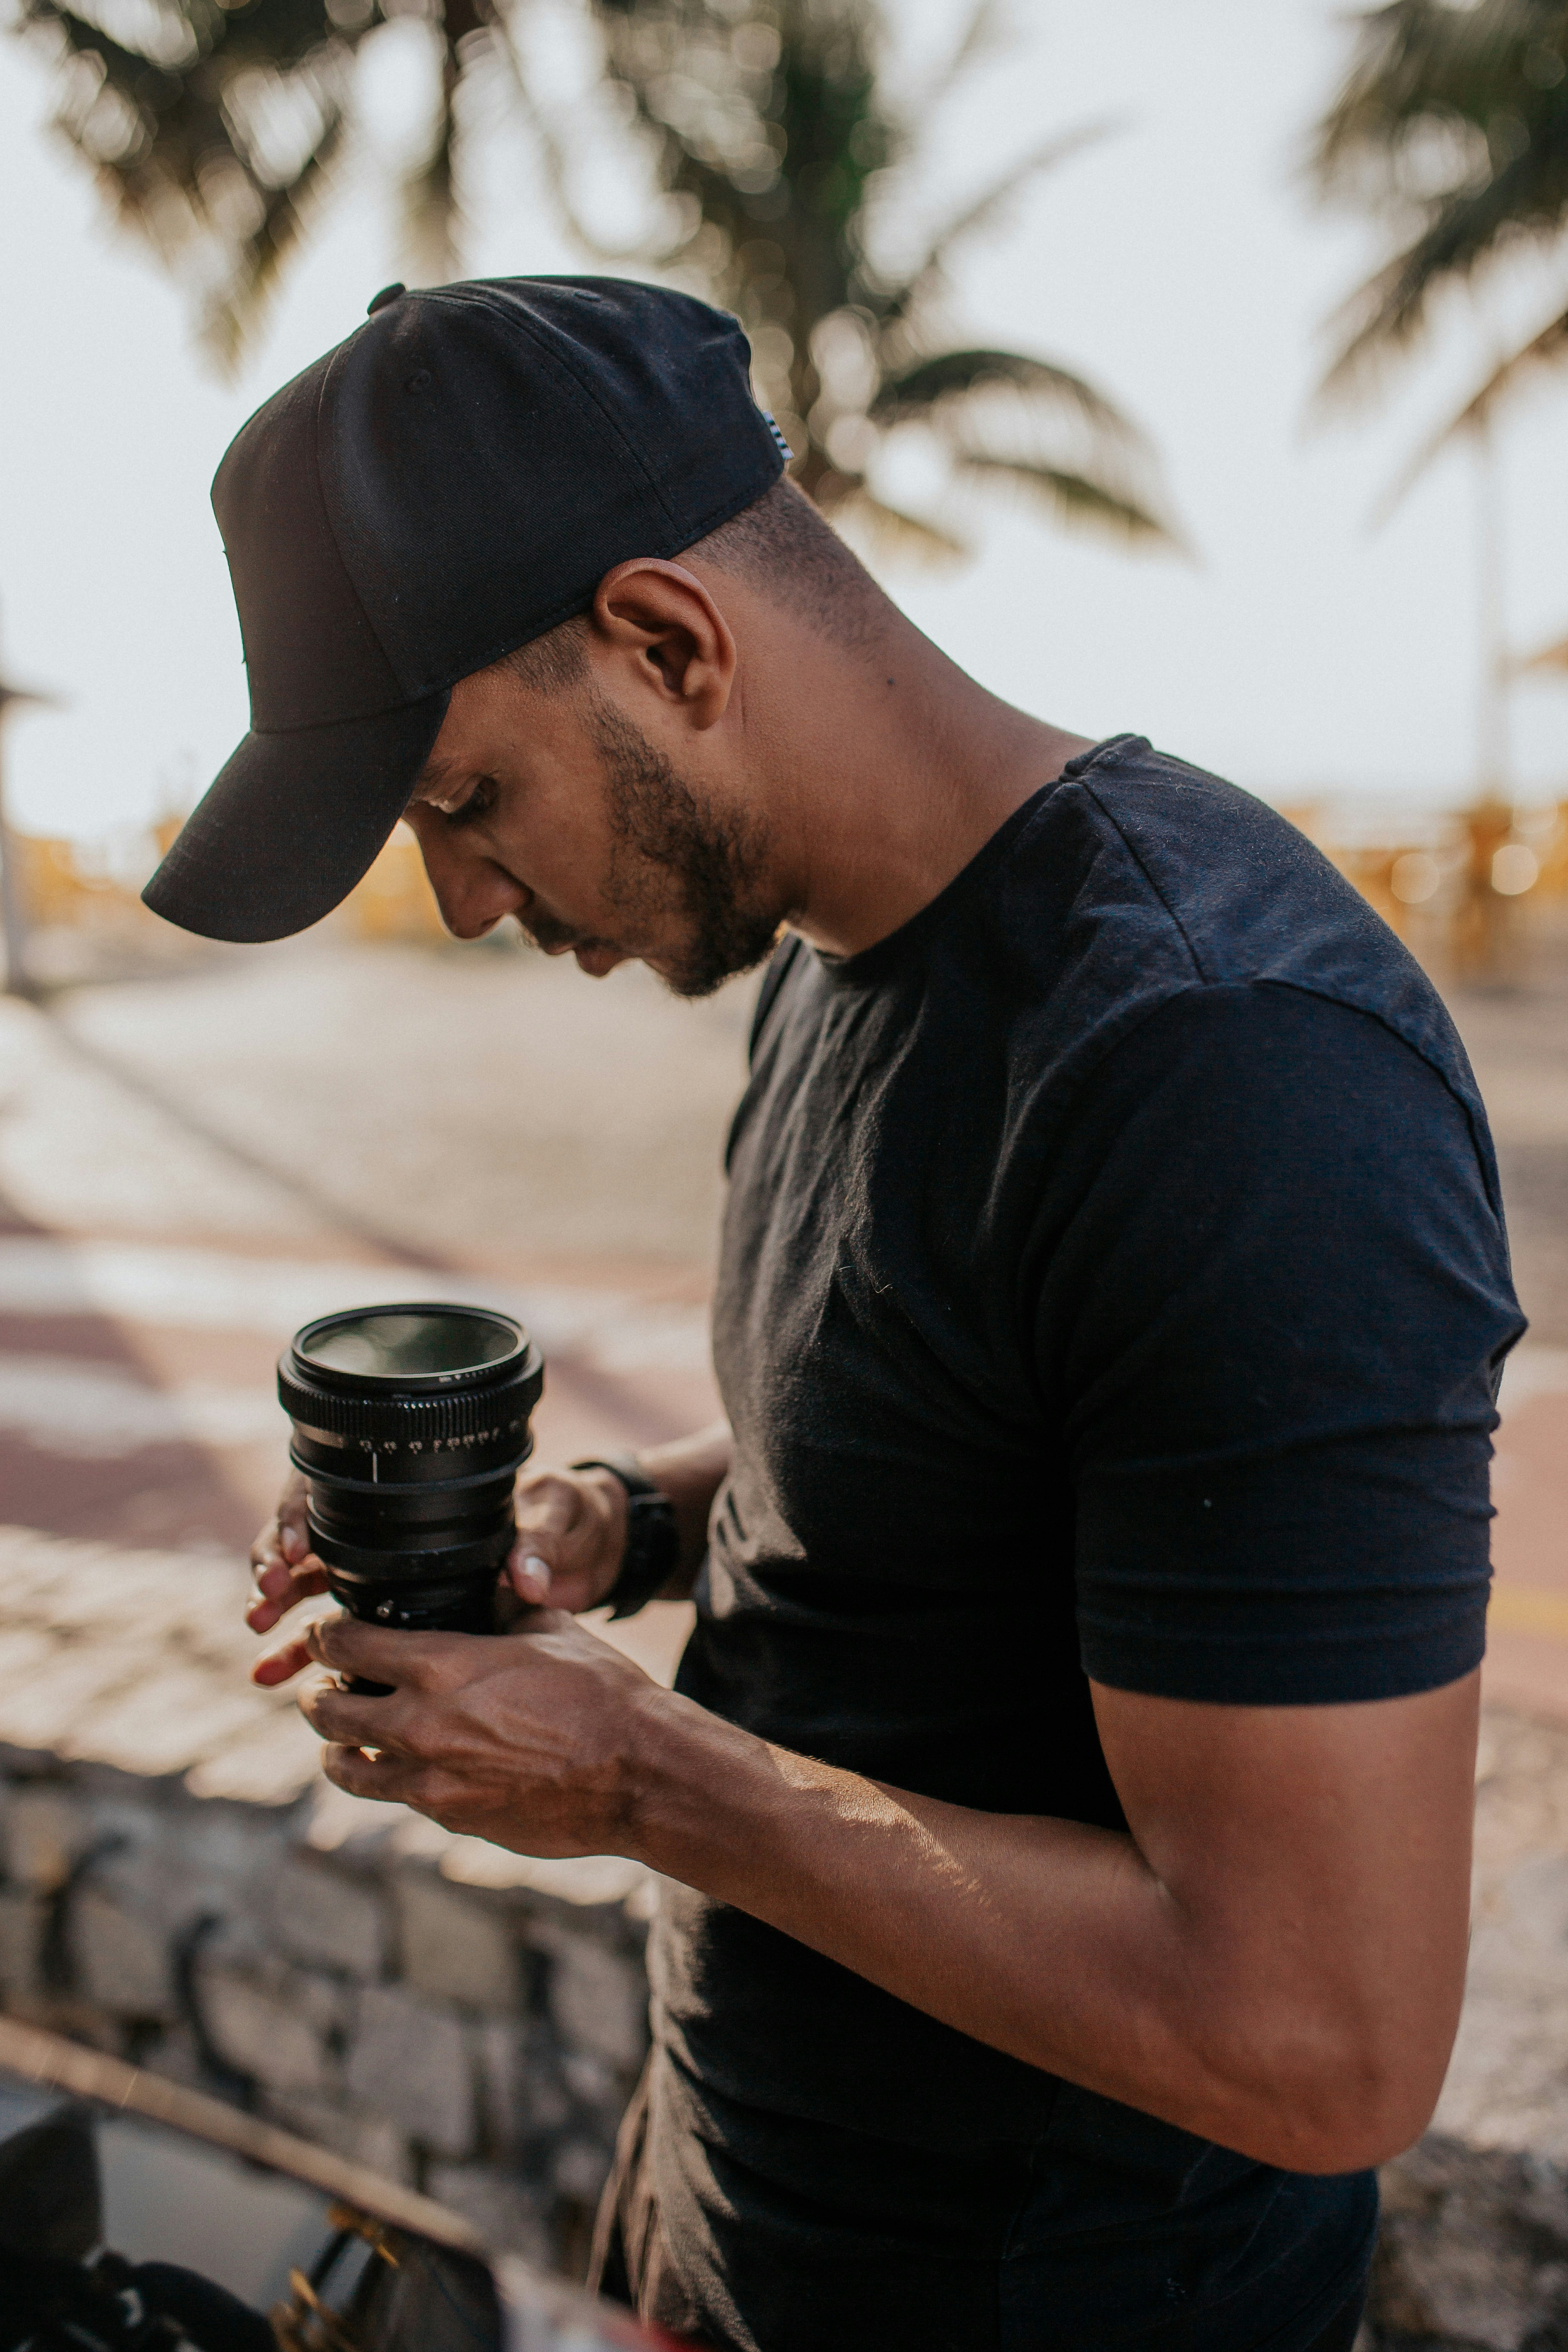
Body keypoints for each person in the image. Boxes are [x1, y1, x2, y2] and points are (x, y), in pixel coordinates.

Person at [144, 277, 1522, 2352]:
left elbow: (1316, 2043)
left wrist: (642, 1786)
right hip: (741, 2222)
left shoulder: (1233, 1075)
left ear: (670, 644)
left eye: (461, 804)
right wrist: (616, 1522)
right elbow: (933, 1431)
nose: (463, 905)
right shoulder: (828, 953)